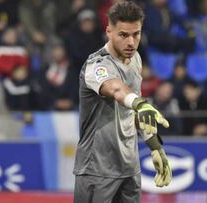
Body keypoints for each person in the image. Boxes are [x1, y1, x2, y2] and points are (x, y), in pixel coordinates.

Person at [73, 2, 172, 203]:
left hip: (129, 169)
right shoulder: (97, 65)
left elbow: (136, 111)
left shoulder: (135, 59)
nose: (131, 42)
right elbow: (117, 89)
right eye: (123, 35)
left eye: (136, 34)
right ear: (109, 31)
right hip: (98, 170)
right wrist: (140, 104)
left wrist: (155, 146)